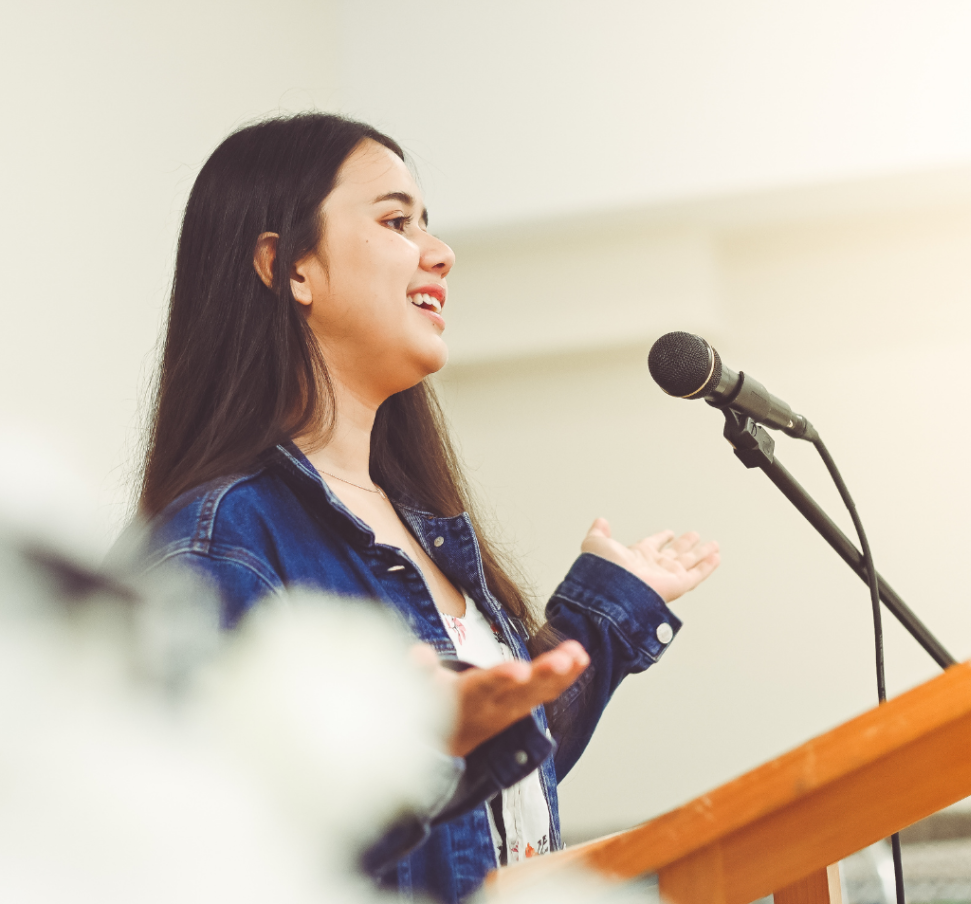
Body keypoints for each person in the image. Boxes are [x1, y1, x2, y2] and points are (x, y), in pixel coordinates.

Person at [139, 114, 720, 903]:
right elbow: (212, 843)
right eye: (395, 220)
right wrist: (413, 751)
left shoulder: (423, 525)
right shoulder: (221, 542)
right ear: (287, 267)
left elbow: (502, 788)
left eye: (427, 224)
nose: (439, 251)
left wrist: (608, 614)